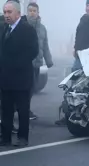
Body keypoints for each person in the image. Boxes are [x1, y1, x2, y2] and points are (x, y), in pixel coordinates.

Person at [0, 0, 39, 146]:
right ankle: (5, 137)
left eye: (9, 12)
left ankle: (23, 138)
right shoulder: (5, 29)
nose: (7, 15)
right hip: (6, 78)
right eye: (5, 12)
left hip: (21, 77)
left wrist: (16, 64)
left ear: (18, 13)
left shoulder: (27, 29)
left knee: (23, 111)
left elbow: (33, 51)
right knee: (6, 109)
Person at [26, 2, 53, 120]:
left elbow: (45, 45)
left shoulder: (42, 28)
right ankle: (23, 109)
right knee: (25, 87)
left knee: (32, 87)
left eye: (34, 11)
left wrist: (48, 60)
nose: (32, 13)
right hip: (25, 63)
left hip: (37, 63)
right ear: (27, 12)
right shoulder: (23, 25)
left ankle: (24, 108)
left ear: (38, 13)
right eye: (30, 10)